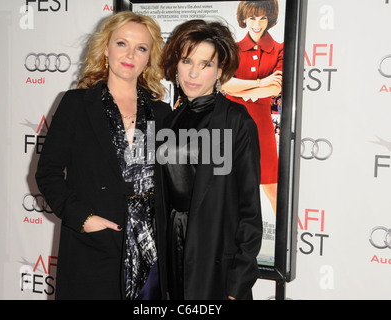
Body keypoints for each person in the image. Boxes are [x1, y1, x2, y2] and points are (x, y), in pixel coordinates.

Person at [35, 11, 171, 300]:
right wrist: (83, 218)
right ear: (106, 48)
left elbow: (170, 183)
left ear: (149, 58)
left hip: (150, 253)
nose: (130, 54)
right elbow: (47, 172)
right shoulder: (75, 104)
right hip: (91, 249)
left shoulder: (162, 113)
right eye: (122, 43)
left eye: (141, 48)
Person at [160, 19, 263, 300]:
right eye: (187, 61)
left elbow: (250, 209)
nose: (193, 73)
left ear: (220, 70)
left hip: (215, 255)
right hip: (173, 246)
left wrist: (237, 282)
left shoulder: (236, 121)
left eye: (205, 64)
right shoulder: (169, 121)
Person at [222, 0, 283, 214]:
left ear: (270, 18)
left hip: (262, 127)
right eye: (252, 18)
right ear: (244, 19)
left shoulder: (279, 49)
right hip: (231, 124)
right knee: (230, 186)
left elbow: (275, 89)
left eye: (263, 17)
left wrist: (240, 91)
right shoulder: (233, 50)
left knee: (272, 186)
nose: (257, 23)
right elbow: (225, 84)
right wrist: (260, 83)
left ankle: (282, 241)